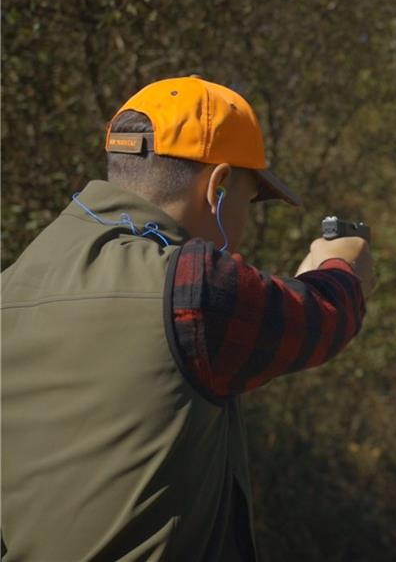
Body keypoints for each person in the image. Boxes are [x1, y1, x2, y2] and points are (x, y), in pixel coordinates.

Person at [1, 76, 375, 561]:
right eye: (249, 198)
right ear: (217, 187)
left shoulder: (12, 283)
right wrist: (341, 266)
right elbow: (322, 322)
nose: (244, 221)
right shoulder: (191, 286)